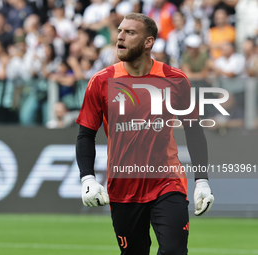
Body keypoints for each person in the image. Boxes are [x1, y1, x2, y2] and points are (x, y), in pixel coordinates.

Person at [76, 13, 214, 255]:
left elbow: (194, 131)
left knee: (174, 251)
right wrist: (87, 178)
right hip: (123, 187)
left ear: (148, 42)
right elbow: (86, 134)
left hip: (167, 182)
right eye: (120, 31)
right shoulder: (101, 81)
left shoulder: (175, 79)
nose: (120, 36)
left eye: (130, 32)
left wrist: (202, 181)